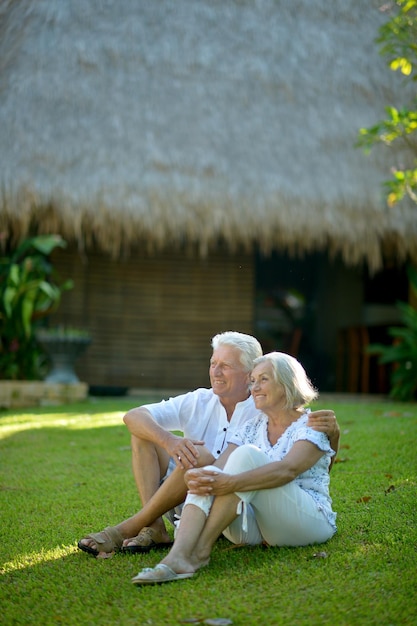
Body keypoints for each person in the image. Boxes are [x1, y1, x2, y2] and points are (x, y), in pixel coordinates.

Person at [78, 334, 339, 557]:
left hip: (227, 498)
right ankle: (153, 526)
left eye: (225, 365)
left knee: (200, 456)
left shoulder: (265, 406)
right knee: (146, 434)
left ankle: (135, 527)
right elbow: (132, 416)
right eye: (213, 363)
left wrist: (333, 436)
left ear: (250, 373)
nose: (215, 371)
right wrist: (170, 441)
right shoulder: (199, 400)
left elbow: (304, 461)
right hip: (183, 494)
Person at [131, 351, 337, 585]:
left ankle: (199, 552)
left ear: (287, 383)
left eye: (264, 379)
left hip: (307, 523)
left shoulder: (313, 424)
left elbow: (287, 470)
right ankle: (176, 558)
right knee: (210, 474)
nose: (255, 388)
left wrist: (229, 483)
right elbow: (218, 472)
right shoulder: (251, 427)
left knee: (245, 456)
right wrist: (201, 482)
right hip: (258, 530)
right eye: (253, 381)